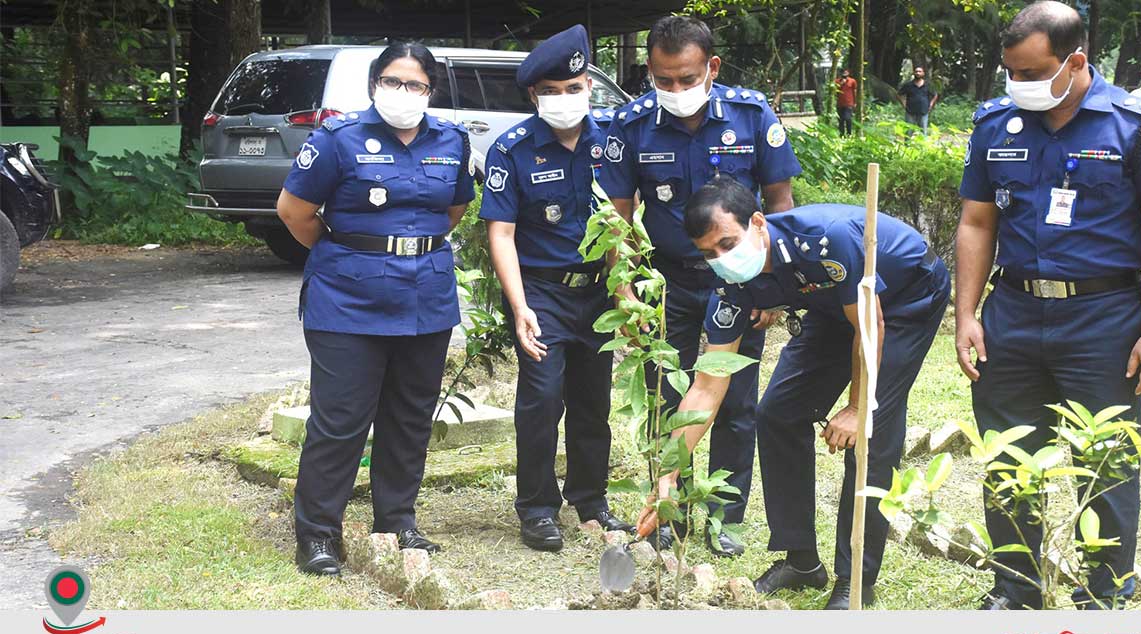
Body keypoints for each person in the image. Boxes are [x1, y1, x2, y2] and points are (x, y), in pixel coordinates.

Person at [956, 1, 1141, 610]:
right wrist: (967, 314)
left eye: (1034, 74)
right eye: (1012, 73)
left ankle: (1104, 596)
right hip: (1011, 311)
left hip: (1105, 319)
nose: (1020, 86)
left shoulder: (1137, 127)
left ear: (1077, 60)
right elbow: (977, 223)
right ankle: (1017, 590)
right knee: (1008, 458)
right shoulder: (995, 125)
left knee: (1105, 465)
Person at [635, 177, 949, 608]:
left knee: (872, 433)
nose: (722, 259)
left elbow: (870, 326)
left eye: (728, 243)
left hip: (905, 298)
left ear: (758, 222)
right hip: (833, 306)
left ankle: (856, 578)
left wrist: (858, 407)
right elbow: (708, 384)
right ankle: (801, 560)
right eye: (709, 254)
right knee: (779, 413)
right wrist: (668, 474)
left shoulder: (825, 241)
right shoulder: (730, 285)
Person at [599, 16, 802, 557]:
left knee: (734, 401)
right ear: (649, 73)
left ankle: (722, 515)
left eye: (688, 79)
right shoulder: (630, 125)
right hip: (665, 282)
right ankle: (671, 509)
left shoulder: (751, 113)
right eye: (664, 81)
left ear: (711, 68)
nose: (677, 91)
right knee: (668, 399)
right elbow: (617, 216)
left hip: (739, 279)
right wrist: (627, 294)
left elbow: (780, 204)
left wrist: (775, 287)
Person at [276, 42, 475, 576]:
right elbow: (294, 212)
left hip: (425, 298)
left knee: (410, 418)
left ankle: (396, 519)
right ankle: (318, 534)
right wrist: (354, 252)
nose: (403, 92)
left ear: (430, 91)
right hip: (347, 300)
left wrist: (408, 250)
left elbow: (453, 209)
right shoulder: (338, 139)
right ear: (373, 84)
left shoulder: (452, 142)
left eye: (415, 84)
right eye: (392, 81)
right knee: (340, 421)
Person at [480, 25, 634, 552]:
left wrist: (626, 292)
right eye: (551, 91)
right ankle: (538, 507)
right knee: (542, 400)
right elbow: (500, 233)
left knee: (594, 400)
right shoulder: (513, 149)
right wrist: (519, 305)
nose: (564, 100)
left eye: (574, 88)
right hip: (542, 292)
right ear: (533, 95)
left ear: (589, 85)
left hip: (599, 292)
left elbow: (619, 221)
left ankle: (591, 500)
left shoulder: (612, 142)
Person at [898, 66, 938, 134]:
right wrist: (903, 104)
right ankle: (907, 145)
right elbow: (899, 94)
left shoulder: (927, 85)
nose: (918, 73)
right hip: (910, 112)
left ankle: (923, 145)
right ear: (914, 73)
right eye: (916, 71)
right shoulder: (908, 85)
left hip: (923, 112)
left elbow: (935, 95)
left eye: (920, 71)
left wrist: (931, 104)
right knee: (908, 132)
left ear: (923, 73)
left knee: (923, 132)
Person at [835, 68, 857, 137]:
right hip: (840, 104)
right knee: (841, 120)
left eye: (846, 72)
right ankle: (841, 134)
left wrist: (855, 102)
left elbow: (854, 91)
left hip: (849, 103)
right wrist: (841, 84)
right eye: (843, 72)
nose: (844, 74)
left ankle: (849, 134)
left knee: (848, 118)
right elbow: (835, 92)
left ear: (848, 73)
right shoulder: (837, 81)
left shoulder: (852, 81)